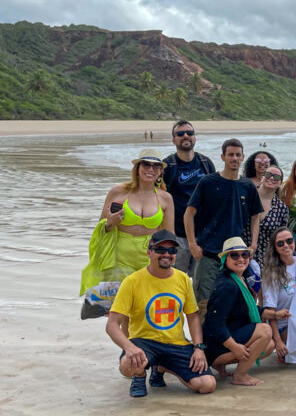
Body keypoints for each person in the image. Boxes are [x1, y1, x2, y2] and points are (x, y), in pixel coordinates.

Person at [105, 230, 215, 397]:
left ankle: (161, 366)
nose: (166, 254)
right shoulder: (132, 281)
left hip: (175, 343)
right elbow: (112, 325)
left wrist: (199, 348)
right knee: (127, 365)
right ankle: (140, 375)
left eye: (172, 251)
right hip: (144, 342)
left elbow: (192, 316)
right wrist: (129, 347)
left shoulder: (183, 279)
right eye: (160, 249)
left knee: (207, 385)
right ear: (149, 252)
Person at [81, 148, 176, 317]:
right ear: (137, 168)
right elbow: (101, 227)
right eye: (146, 164)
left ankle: (138, 342)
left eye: (156, 166)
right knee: (121, 310)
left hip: (149, 257)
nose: (150, 169)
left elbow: (169, 234)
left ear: (161, 171)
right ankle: (128, 343)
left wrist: (169, 262)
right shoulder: (119, 192)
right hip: (120, 256)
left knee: (145, 307)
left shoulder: (165, 198)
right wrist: (111, 222)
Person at [184, 139, 263, 316]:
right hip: (208, 254)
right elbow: (189, 213)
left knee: (233, 303)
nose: (234, 158)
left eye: (238, 155)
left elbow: (255, 216)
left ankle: (228, 340)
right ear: (223, 157)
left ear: (243, 157)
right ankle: (203, 343)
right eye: (230, 155)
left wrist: (254, 244)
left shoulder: (247, 185)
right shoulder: (208, 182)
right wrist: (192, 244)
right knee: (204, 303)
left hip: (235, 256)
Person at [202, 237, 274, 386]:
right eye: (234, 255)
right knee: (265, 331)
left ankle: (220, 365)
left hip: (224, 337)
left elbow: (247, 309)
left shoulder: (239, 279)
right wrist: (235, 347)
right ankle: (240, 375)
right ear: (225, 260)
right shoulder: (227, 285)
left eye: (244, 255)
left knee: (269, 346)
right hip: (214, 347)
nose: (241, 259)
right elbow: (214, 325)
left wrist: (276, 314)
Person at [162, 120, 216, 274]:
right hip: (177, 236)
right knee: (174, 280)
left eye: (189, 133)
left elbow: (214, 196)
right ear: (174, 139)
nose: (185, 136)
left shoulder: (205, 163)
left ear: (195, 137)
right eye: (180, 134)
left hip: (203, 235)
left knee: (200, 285)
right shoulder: (168, 165)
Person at [261, 226, 296, 363]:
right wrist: (278, 342)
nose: (286, 245)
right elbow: (271, 311)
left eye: (289, 241)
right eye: (280, 243)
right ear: (274, 248)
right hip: (284, 326)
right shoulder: (272, 273)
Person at [251, 164, 290, 272]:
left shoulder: (282, 208)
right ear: (262, 177)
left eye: (277, 177)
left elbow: (281, 238)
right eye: (268, 174)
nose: (272, 178)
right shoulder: (247, 197)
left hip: (267, 261)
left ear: (280, 183)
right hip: (241, 255)